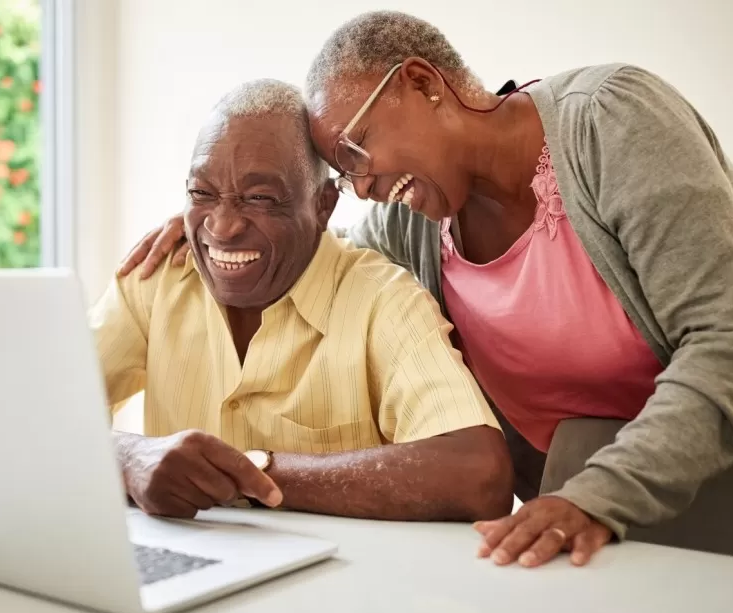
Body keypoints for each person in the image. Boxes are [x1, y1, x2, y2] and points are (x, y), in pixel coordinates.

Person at [118, 11, 733, 568]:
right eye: (344, 174)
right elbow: (315, 248)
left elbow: (728, 338)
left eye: (356, 149)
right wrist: (221, 220)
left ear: (422, 82)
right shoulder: (413, 227)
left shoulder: (612, 120)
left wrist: (595, 494)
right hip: (597, 531)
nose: (364, 184)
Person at [94, 78, 513, 523]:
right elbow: (26, 412)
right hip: (185, 582)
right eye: (202, 194)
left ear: (323, 206)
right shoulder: (155, 281)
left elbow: (478, 474)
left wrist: (252, 472)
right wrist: (127, 455)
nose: (222, 227)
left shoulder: (383, 301)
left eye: (260, 198)